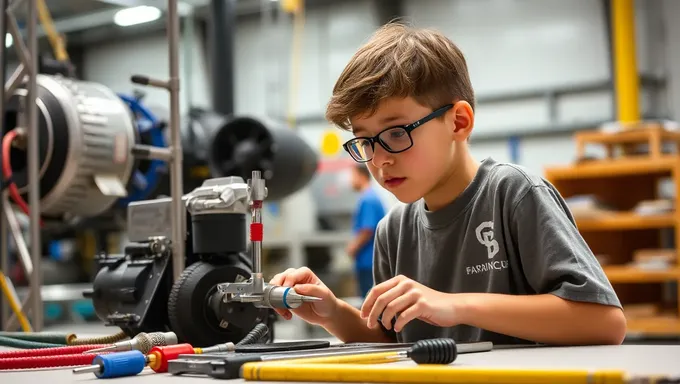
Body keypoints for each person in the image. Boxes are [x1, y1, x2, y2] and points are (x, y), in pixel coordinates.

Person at [270, 22, 627, 345]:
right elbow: (389, 339)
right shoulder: (393, 231)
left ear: (458, 122)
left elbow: (604, 322)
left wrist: (455, 306)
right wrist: (332, 312)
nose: (379, 159)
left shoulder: (513, 195)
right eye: (365, 141)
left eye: (396, 133)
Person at [347, 163, 386, 298]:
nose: (350, 180)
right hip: (369, 261)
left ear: (361, 176)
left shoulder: (368, 199)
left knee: (370, 301)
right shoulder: (371, 197)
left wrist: (352, 248)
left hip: (369, 262)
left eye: (352, 176)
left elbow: (367, 230)